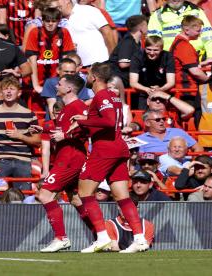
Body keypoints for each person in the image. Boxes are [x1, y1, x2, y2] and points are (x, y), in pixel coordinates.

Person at [67, 62, 149, 253]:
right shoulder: (113, 96)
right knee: (122, 196)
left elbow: (109, 121)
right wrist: (84, 125)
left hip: (105, 149)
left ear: (94, 77)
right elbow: (108, 121)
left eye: (87, 74)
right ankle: (139, 238)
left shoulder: (102, 95)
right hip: (119, 147)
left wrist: (83, 120)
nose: (86, 77)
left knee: (85, 192)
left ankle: (102, 237)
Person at [37, 74, 93, 253]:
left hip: (70, 160)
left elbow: (88, 128)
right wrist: (44, 128)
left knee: (45, 195)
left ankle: (61, 238)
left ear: (69, 88)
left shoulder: (78, 106)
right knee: (76, 199)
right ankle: (102, 235)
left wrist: (66, 136)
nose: (56, 86)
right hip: (65, 158)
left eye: (59, 84)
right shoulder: (66, 108)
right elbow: (62, 129)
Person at [0, 76, 41, 191]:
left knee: (24, 196)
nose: (8, 92)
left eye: (12, 89)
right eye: (5, 89)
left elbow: (38, 142)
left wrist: (20, 136)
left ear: (19, 93)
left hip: (23, 161)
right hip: (0, 161)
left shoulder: (29, 114)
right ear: (1, 92)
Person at [25, 7, 75, 94]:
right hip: (36, 80)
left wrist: (63, 84)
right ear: (42, 21)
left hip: (56, 81)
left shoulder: (64, 32)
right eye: (47, 21)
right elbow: (31, 60)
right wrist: (36, 85)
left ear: (59, 21)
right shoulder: (35, 32)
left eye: (54, 21)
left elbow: (66, 59)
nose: (50, 24)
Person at [54, 0, 115, 66]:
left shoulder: (88, 10)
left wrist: (113, 59)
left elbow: (107, 32)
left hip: (100, 65)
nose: (54, 3)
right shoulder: (55, 20)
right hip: (74, 69)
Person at [148, 0, 212, 59]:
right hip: (170, 59)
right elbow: (153, 41)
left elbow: (208, 36)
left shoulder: (197, 11)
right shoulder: (157, 14)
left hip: (197, 57)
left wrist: (210, 56)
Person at [129, 36, 175, 110]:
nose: (152, 53)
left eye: (156, 50)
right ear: (145, 48)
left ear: (161, 49)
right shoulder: (137, 56)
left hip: (163, 92)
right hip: (143, 93)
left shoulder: (168, 56)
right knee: (143, 117)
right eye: (149, 49)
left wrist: (160, 89)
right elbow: (133, 82)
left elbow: (171, 82)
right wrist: (146, 89)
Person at [170, 15, 210, 93]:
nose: (200, 34)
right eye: (198, 31)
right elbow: (195, 71)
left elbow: (185, 66)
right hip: (186, 90)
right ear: (187, 30)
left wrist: (204, 63)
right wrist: (208, 80)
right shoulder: (183, 46)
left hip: (184, 88)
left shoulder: (179, 42)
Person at [137, 110, 203, 153]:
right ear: (147, 123)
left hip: (180, 167)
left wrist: (193, 165)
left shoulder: (178, 132)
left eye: (163, 119)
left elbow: (198, 148)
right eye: (157, 120)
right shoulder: (140, 139)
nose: (162, 121)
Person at [109, 15, 148, 87]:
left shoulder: (136, 42)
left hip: (126, 79)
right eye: (146, 25)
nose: (148, 27)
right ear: (141, 28)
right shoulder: (128, 42)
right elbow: (123, 64)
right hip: (119, 81)